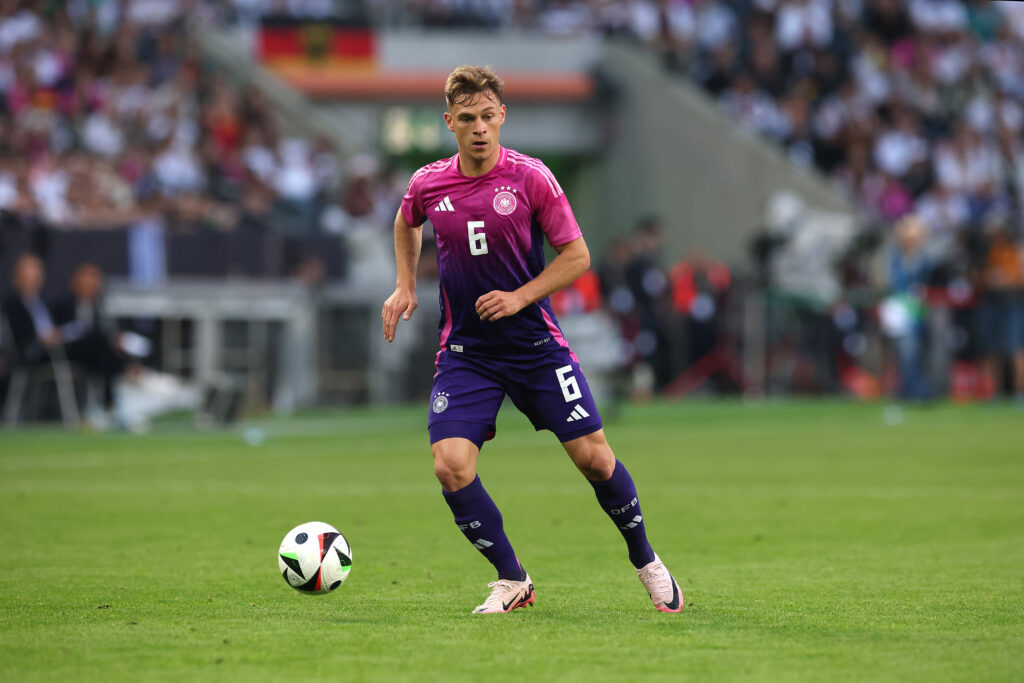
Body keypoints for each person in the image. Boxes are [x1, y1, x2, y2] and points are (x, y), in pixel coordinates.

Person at [381, 65, 683, 615]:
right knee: (450, 464)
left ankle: (646, 560)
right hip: (467, 354)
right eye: (466, 118)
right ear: (450, 122)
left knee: (594, 459)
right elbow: (406, 222)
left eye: (487, 116)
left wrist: (519, 297)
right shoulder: (429, 182)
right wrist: (404, 284)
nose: (478, 128)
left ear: (502, 116)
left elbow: (577, 257)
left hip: (534, 348)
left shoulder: (531, 178)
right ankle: (512, 579)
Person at [52, 263, 128, 417]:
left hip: (97, 358)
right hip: (70, 353)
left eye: (94, 285)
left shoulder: (101, 309)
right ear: (75, 284)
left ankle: (109, 405)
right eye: (86, 284)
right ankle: (108, 404)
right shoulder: (62, 307)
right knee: (101, 343)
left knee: (110, 349)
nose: (90, 288)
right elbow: (54, 333)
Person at [2, 253, 61, 365]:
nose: (34, 282)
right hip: (33, 353)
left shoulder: (44, 303)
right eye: (29, 278)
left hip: (55, 348)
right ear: (17, 278)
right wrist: (41, 337)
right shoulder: (12, 306)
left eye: (37, 278)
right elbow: (19, 336)